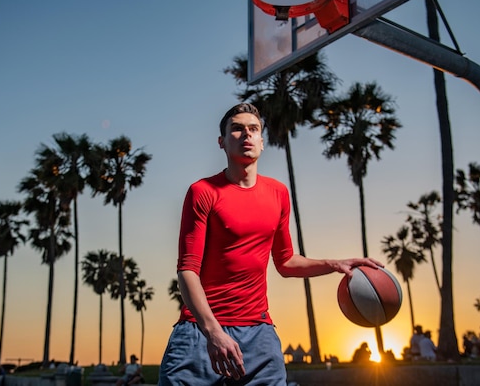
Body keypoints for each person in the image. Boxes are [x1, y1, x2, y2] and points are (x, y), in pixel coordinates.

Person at [158, 103, 383, 385]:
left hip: (258, 333)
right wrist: (213, 332)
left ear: (262, 142)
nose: (246, 135)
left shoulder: (277, 193)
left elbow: (286, 262)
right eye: (237, 129)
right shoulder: (202, 192)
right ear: (222, 142)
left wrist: (337, 264)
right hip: (200, 331)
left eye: (253, 129)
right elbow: (187, 269)